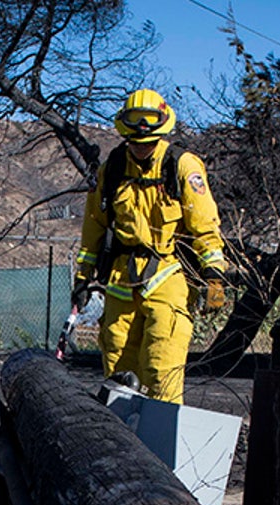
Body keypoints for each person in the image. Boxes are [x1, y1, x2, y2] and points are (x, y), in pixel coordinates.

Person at [72, 88, 229, 405]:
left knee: (162, 370)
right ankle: (118, 448)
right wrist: (83, 277)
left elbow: (204, 224)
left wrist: (214, 274)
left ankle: (160, 450)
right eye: (135, 142)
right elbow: (94, 226)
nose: (141, 148)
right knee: (117, 372)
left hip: (169, 276)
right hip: (121, 281)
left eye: (148, 143)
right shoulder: (113, 168)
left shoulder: (182, 166)